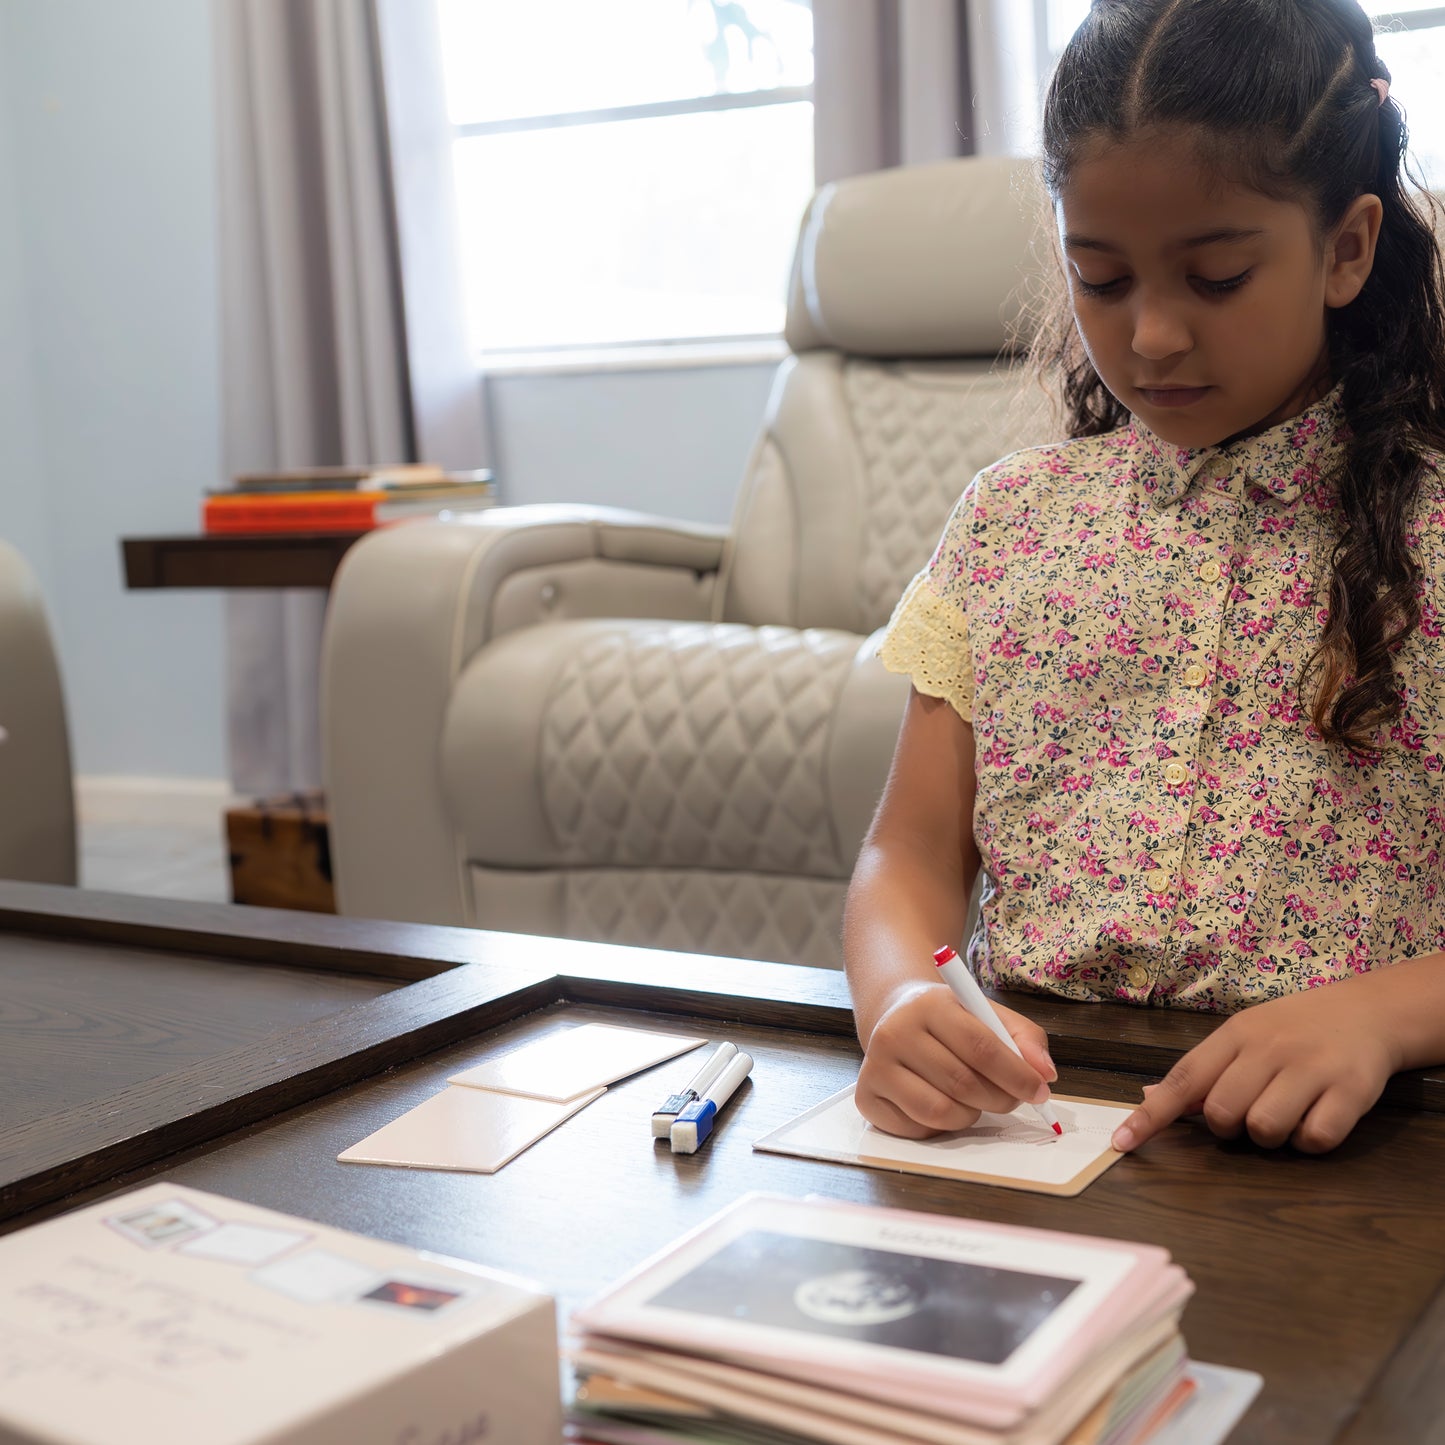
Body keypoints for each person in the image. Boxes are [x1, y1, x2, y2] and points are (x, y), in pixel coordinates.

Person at [845, 0, 1445, 1156]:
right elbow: (906, 852)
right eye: (1100, 277)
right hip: (1033, 1132)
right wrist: (901, 998)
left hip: (1360, 1154)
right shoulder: (1010, 522)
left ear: (1346, 247)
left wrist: (1381, 1012)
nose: (1152, 334)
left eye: (1214, 276)